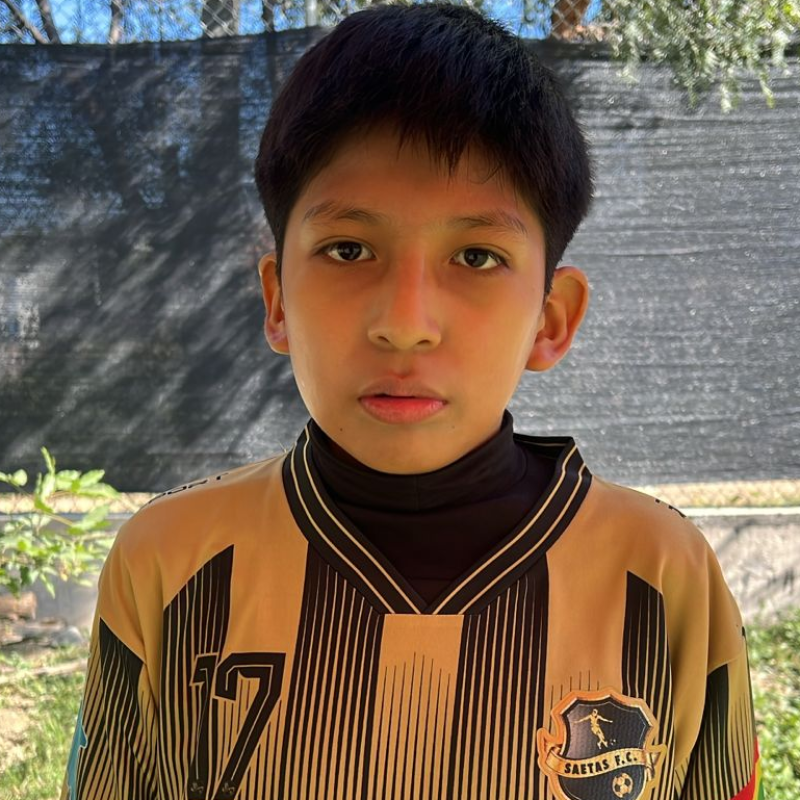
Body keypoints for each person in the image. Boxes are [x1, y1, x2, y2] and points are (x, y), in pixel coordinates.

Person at [63, 4, 762, 799]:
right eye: (348, 249)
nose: (404, 323)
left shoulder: (666, 578)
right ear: (278, 300)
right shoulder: (169, 562)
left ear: (551, 319)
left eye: (477, 256)